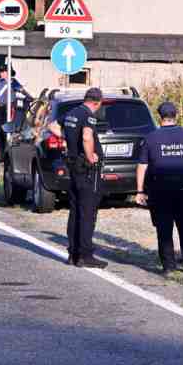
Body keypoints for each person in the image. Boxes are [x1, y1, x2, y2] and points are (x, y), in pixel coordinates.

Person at [135, 101, 183, 275]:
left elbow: (142, 166)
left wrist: (139, 191)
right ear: (176, 116)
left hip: (160, 191)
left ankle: (168, 266)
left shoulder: (151, 137)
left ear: (160, 117)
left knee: (164, 229)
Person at [62, 87, 107, 268]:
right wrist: (90, 156)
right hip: (87, 169)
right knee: (88, 212)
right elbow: (87, 137)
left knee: (75, 211)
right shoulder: (88, 115)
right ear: (97, 102)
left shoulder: (71, 112)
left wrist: (70, 142)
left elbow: (52, 126)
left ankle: (73, 253)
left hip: (73, 166)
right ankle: (85, 255)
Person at [0, 65, 32, 158]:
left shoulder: (13, 82)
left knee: (8, 130)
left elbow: (22, 90)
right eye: (1, 72)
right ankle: (2, 152)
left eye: (3, 72)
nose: (1, 73)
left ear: (8, 73)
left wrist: (30, 97)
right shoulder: (0, 82)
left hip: (9, 107)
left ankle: (8, 153)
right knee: (0, 130)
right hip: (0, 108)